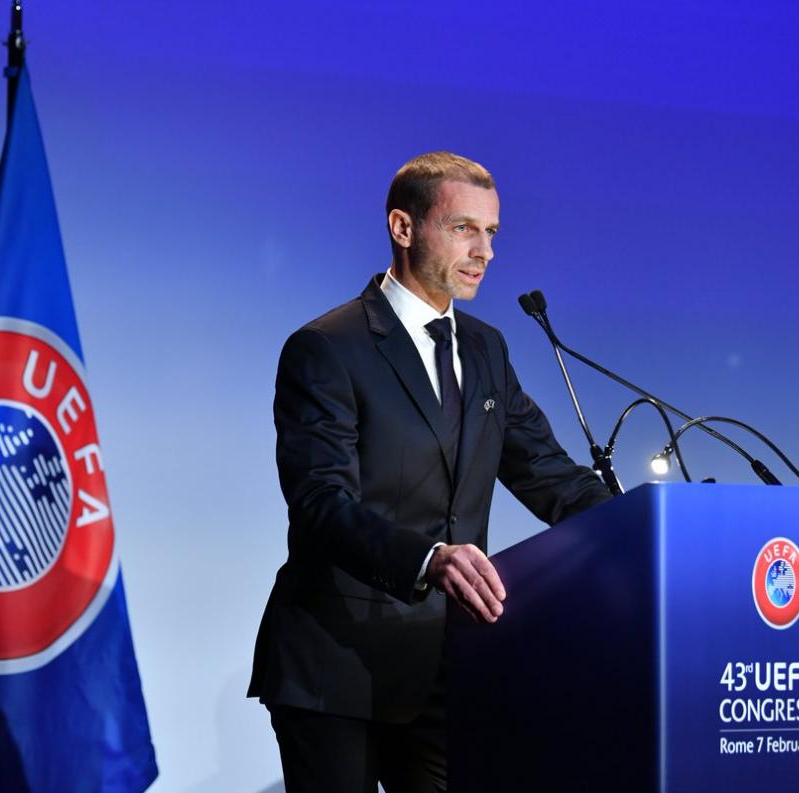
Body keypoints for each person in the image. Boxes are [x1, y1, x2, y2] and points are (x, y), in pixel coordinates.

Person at [247, 151, 611, 792]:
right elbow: (321, 502)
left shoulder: (486, 348)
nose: (485, 251)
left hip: (446, 666)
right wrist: (429, 558)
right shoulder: (327, 348)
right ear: (403, 227)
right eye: (464, 228)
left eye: (491, 232)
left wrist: (651, 526)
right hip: (336, 666)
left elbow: (549, 474)